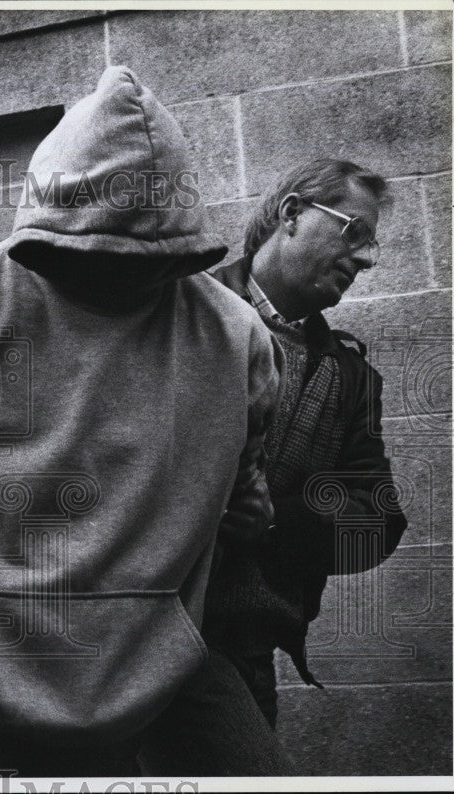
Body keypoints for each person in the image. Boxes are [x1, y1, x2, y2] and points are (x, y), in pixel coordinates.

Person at [0, 66, 282, 777]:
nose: (116, 274)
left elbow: (244, 499)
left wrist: (244, 514)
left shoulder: (237, 338)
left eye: (142, 259)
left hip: (160, 670)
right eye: (92, 255)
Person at [139, 159, 409, 775]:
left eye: (372, 244)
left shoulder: (349, 375)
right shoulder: (175, 307)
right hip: (121, 631)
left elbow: (379, 519)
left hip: (241, 650)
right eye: (353, 232)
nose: (366, 259)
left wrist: (271, 522)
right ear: (291, 214)